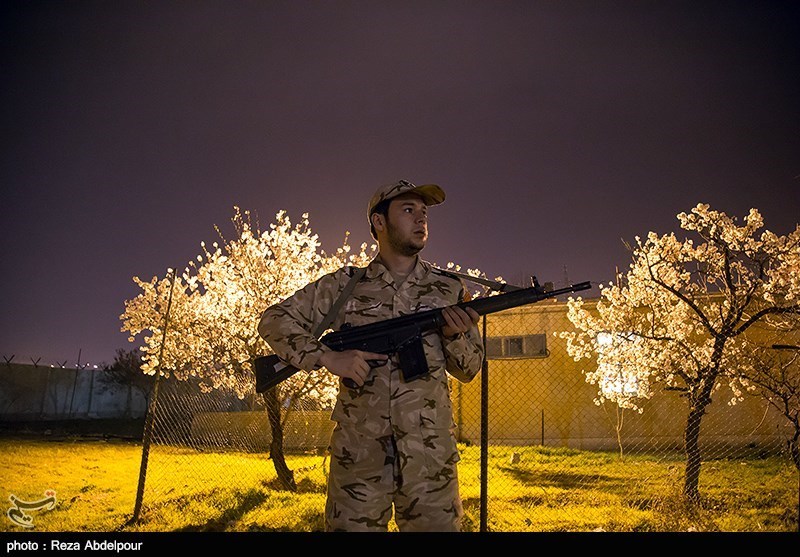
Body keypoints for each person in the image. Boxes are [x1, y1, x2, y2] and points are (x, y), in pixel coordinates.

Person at [257, 179, 484, 532]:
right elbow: (273, 320)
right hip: (359, 458)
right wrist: (326, 358)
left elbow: (470, 369)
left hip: (430, 461)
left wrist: (454, 335)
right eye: (408, 210)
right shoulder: (344, 287)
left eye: (424, 213)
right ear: (379, 222)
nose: (421, 220)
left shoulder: (449, 288)